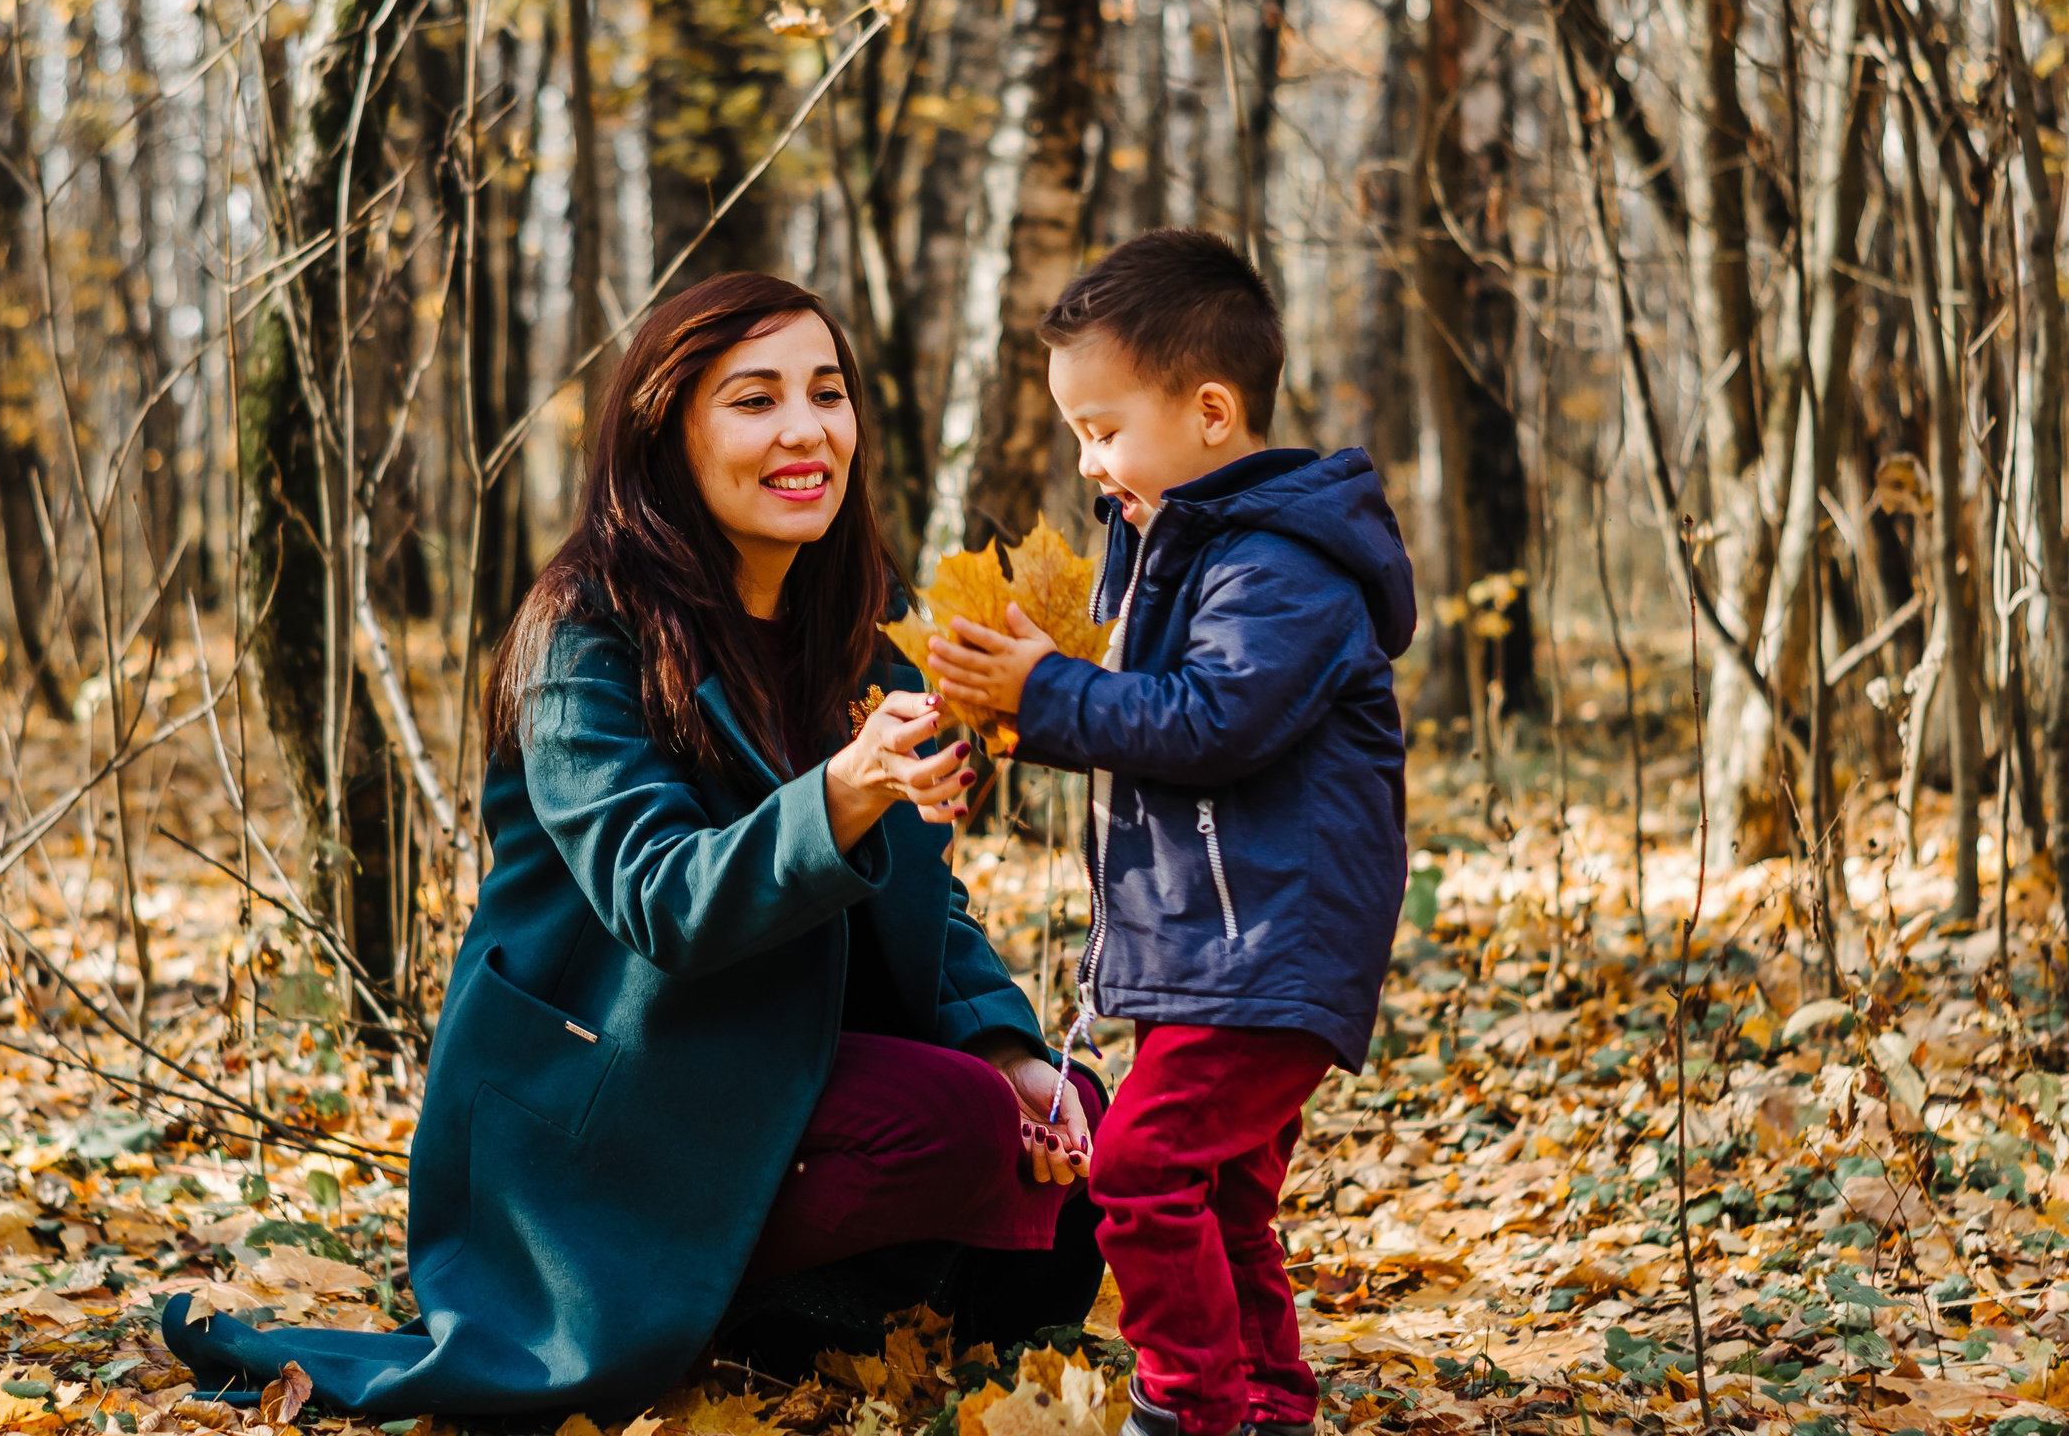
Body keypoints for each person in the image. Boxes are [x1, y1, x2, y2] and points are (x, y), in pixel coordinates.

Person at [163, 274, 1098, 1420]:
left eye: (827, 393)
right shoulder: (582, 638)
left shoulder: (862, 626)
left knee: (1072, 1121)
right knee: (950, 1126)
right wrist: (843, 794)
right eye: (753, 401)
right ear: (669, 433)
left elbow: (923, 902)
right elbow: (662, 900)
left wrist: (1010, 1048)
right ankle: (675, 1296)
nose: (805, 429)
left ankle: (792, 1299)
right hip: (614, 1092)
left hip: (781, 1055)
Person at [927, 231, 1417, 1436]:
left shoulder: (1280, 562)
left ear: (1210, 410)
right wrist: (1008, 723)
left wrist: (1041, 693)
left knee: (1140, 1170)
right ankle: (1267, 1406)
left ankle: (1188, 1407)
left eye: (1102, 428)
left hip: (1273, 947)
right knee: (1223, 1197)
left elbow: (1211, 723)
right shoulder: (1168, 550)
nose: (1088, 461)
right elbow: (1141, 731)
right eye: (1075, 433)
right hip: (1216, 948)